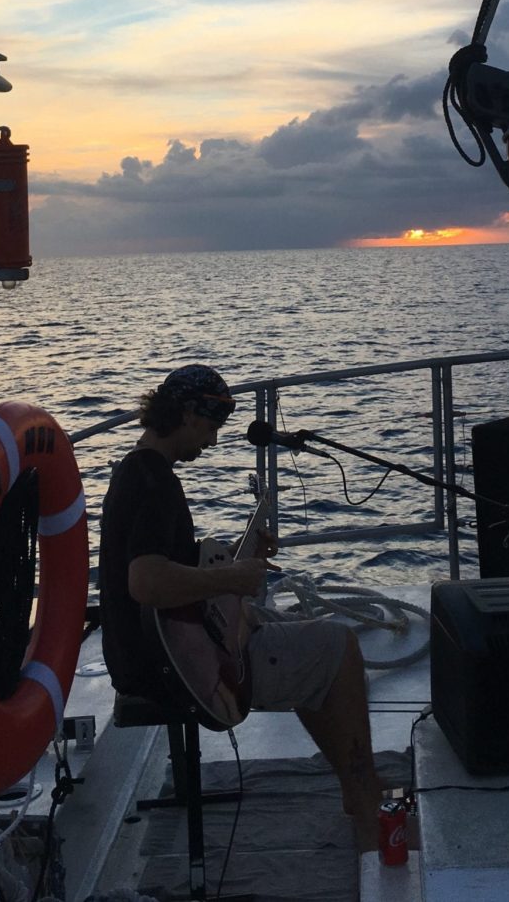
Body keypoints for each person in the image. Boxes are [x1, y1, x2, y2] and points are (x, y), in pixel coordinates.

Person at [99, 363, 382, 850]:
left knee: (297, 638)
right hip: (172, 668)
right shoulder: (154, 481)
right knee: (339, 647)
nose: (212, 442)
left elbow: (168, 573)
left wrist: (239, 557)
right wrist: (232, 577)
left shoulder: (136, 470)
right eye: (210, 427)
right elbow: (146, 582)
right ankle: (368, 805)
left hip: (146, 653)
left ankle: (355, 793)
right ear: (187, 414)